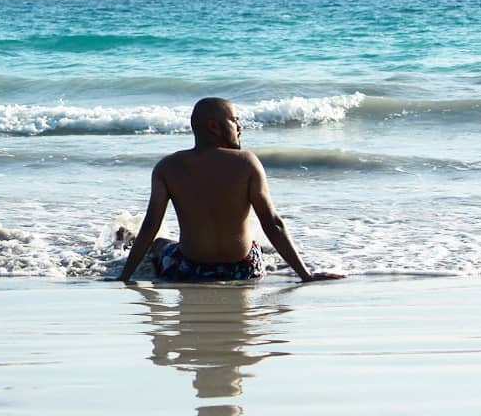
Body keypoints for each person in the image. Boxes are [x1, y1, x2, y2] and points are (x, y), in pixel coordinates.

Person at [118, 97, 343, 284]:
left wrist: (124, 277)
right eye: (235, 120)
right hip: (243, 269)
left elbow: (151, 225)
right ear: (214, 126)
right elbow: (272, 223)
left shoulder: (167, 167)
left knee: (159, 244)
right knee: (258, 246)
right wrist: (306, 275)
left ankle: (124, 241)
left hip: (188, 271)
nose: (240, 127)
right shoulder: (247, 162)